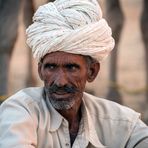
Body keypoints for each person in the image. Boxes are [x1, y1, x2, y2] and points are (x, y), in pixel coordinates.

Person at [0, 0, 148, 147]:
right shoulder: (19, 112)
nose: (60, 82)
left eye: (71, 68)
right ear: (40, 71)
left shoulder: (120, 122)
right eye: (51, 67)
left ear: (92, 72)